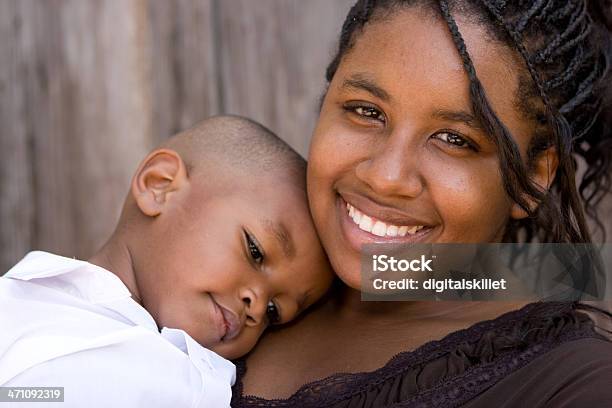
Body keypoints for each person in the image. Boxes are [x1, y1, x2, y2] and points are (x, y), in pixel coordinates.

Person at [231, 0, 612, 407]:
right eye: (366, 111)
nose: (385, 177)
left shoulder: (573, 387)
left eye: (455, 140)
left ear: (533, 177)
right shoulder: (229, 281)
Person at [0, 115, 333, 407]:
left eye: (275, 312)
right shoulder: (20, 296)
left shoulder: (194, 382)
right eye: (255, 251)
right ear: (159, 186)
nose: (257, 307)